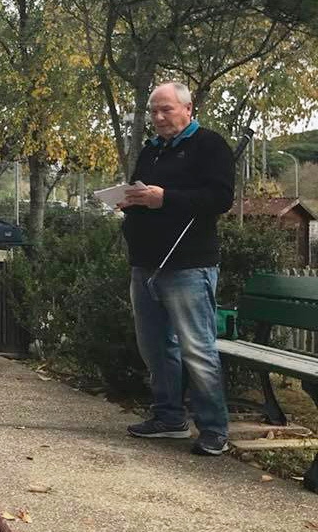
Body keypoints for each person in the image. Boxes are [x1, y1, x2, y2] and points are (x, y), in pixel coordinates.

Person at [120, 81, 234, 456]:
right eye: (153, 110)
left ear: (188, 108)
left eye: (165, 109)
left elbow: (219, 198)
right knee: (154, 347)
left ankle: (214, 429)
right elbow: (142, 193)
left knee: (197, 349)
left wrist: (163, 198)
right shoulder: (150, 151)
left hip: (188, 264)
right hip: (145, 264)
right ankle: (168, 418)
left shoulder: (210, 145)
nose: (157, 117)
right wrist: (130, 201)